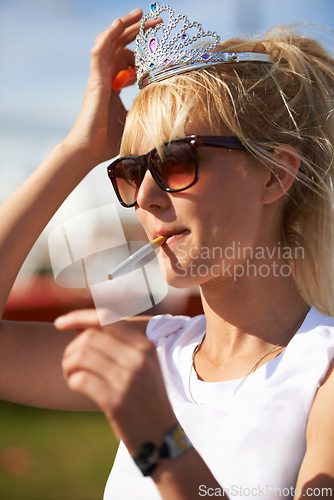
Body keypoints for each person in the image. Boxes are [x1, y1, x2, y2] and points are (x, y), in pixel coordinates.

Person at [0, 3, 334, 499]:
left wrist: (163, 441)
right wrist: (79, 149)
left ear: (274, 173)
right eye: (130, 172)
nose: (145, 196)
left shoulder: (322, 371)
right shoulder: (154, 351)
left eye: (178, 161)